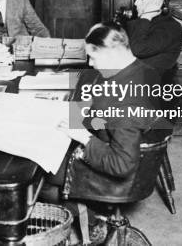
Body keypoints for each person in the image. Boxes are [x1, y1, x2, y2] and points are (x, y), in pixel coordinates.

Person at [43, 22, 165, 243]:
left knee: (40, 174)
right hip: (121, 144)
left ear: (112, 52)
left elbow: (122, 164)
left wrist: (83, 136)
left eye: (94, 57)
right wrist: (83, 108)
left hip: (120, 167)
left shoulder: (126, 100)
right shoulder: (141, 70)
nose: (90, 63)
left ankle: (92, 223)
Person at [124, 0, 182, 79]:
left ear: (158, 1)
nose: (135, 3)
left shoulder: (170, 27)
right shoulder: (145, 21)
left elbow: (138, 49)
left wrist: (146, 17)